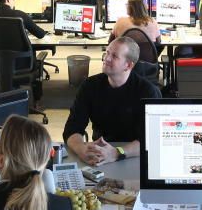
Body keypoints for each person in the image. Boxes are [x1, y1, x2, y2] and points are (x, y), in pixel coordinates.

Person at [63, 38, 160, 166]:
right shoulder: (90, 86)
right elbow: (72, 128)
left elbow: (152, 139)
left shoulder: (148, 92)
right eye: (107, 53)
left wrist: (116, 153)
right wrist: (81, 149)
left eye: (114, 56)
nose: (106, 58)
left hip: (134, 155)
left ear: (128, 65)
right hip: (100, 155)